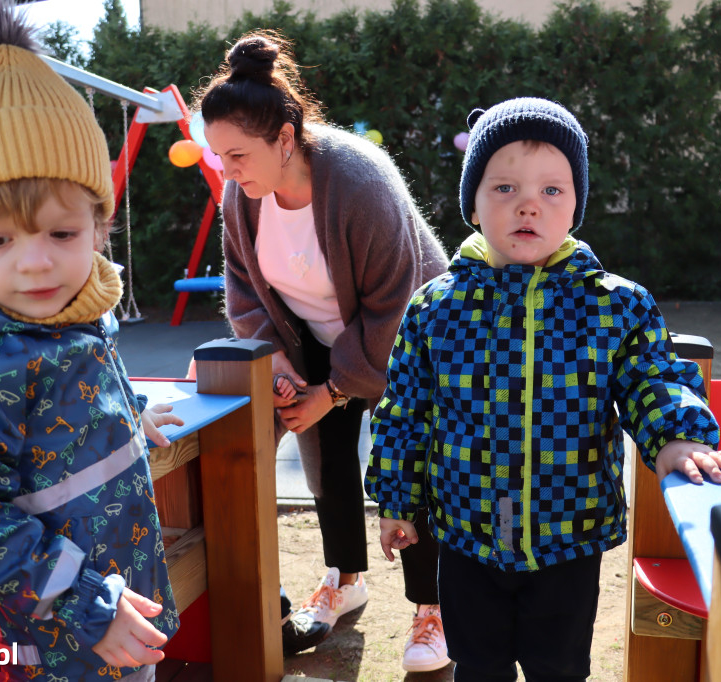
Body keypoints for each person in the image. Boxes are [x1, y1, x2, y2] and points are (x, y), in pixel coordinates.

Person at [367, 97, 721, 681]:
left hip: (569, 532)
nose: (528, 204)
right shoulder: (436, 307)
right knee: (477, 664)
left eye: (552, 190)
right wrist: (396, 498)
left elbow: (654, 378)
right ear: (472, 202)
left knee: (560, 665)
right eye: (503, 188)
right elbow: (405, 408)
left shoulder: (615, 305)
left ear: (576, 205)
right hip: (465, 532)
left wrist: (676, 437)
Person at [0, 1, 180, 679]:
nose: (36, 262)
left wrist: (127, 412)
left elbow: (76, 383)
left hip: (124, 600)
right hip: (54, 640)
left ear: (99, 228)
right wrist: (87, 609)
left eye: (62, 233)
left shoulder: (73, 307)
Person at [193, 31, 450, 670]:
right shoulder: (240, 195)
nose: (228, 171)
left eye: (238, 155)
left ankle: (433, 609)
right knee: (329, 463)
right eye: (220, 156)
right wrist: (278, 362)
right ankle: (346, 576)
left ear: (285, 139)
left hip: (410, 335)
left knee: (413, 467)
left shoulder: (358, 180)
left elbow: (397, 304)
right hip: (312, 336)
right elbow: (243, 283)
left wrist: (333, 390)